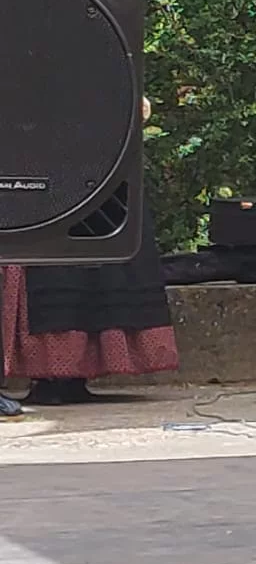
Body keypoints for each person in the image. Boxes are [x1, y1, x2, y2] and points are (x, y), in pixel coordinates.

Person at [2, 101, 179, 408]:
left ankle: (70, 376)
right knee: (52, 259)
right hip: (38, 156)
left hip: (93, 156)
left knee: (94, 257)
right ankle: (53, 376)